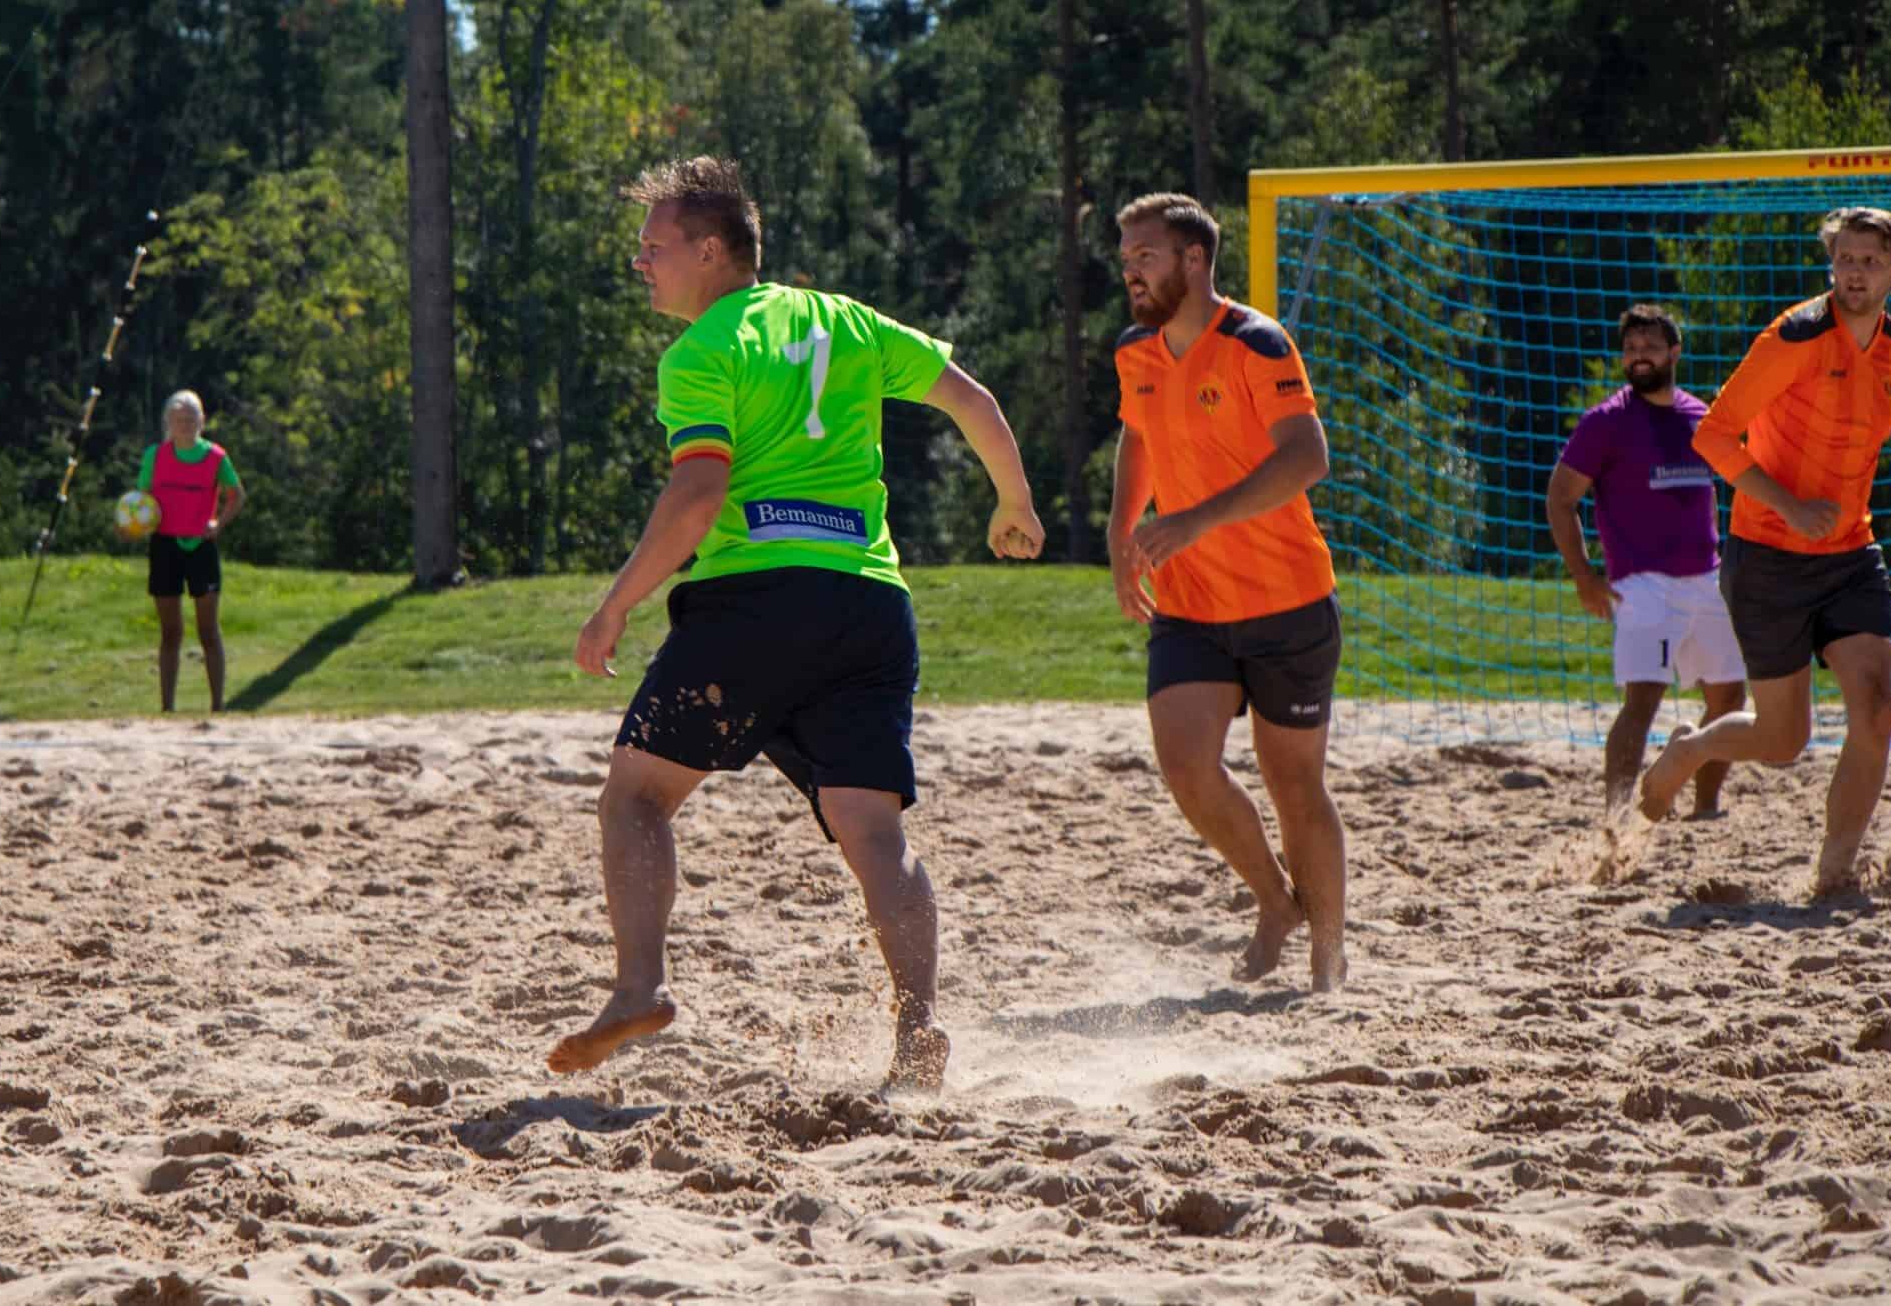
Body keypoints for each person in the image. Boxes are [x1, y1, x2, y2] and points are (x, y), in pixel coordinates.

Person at [550, 156, 1044, 1092]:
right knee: (874, 831)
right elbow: (970, 399)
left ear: (710, 250)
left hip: (758, 604)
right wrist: (1013, 502)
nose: (640, 262)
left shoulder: (703, 352)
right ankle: (919, 1029)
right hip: (869, 605)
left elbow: (699, 493)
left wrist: (615, 604)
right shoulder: (847, 321)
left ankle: (640, 985)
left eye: (654, 247)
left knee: (635, 797)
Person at [1638, 209, 1891, 892]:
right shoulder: (1793, 336)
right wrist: (1788, 505)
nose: (1856, 272)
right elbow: (1713, 435)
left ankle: (1835, 874)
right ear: (1831, 263)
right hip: (1767, 554)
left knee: (1879, 711)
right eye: (1846, 258)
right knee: (1784, 741)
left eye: (1871, 261)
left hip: (1850, 553)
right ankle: (1692, 749)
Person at [1108, 192, 1348, 992]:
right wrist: (1121, 530)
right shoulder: (1135, 351)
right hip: (1190, 604)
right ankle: (1277, 901)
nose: (1130, 270)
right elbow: (1138, 437)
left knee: (1295, 788)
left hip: (1288, 600)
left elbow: (1308, 457)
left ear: (1194, 258)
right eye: (1126, 257)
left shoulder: (1256, 341)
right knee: (1186, 766)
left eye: (1145, 255)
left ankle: (1328, 958)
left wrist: (1195, 518)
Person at [1544, 305, 1747, 815]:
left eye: (1650, 348)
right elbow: (1560, 499)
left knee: (1730, 699)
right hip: (1644, 585)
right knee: (1643, 703)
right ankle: (1616, 820)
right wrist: (1583, 576)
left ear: (1674, 352)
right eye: (1631, 349)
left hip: (1707, 579)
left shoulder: (1701, 417)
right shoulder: (1606, 422)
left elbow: (1717, 492)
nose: (1639, 357)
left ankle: (1703, 804)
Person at [138, 389, 244, 713]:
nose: (184, 425)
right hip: (165, 545)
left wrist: (219, 523)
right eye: (178, 420)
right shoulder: (155, 456)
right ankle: (167, 707)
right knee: (171, 632)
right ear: (168, 423)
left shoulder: (215, 457)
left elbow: (237, 495)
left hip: (201, 546)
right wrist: (136, 524)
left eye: (190, 419)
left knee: (208, 630)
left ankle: (218, 705)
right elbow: (141, 501)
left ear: (202, 421)